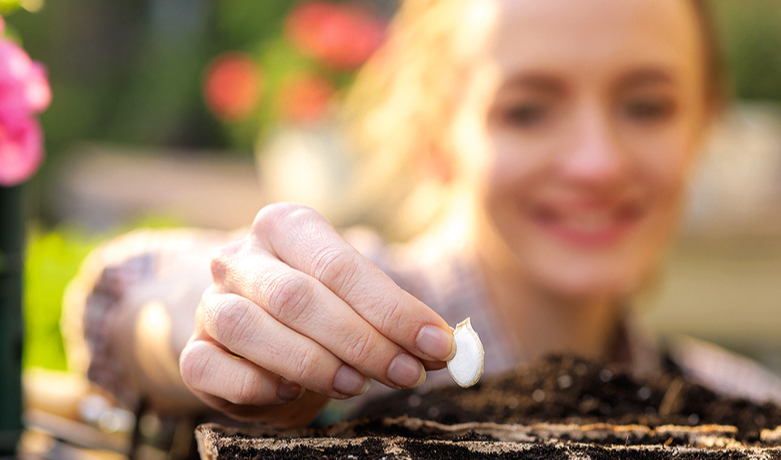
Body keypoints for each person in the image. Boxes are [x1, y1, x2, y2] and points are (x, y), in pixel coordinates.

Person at [63, 0, 781, 429]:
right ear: (437, 133)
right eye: (527, 110)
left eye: (647, 106)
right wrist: (210, 314)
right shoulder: (355, 329)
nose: (595, 162)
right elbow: (132, 295)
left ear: (703, 125)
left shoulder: (741, 407)